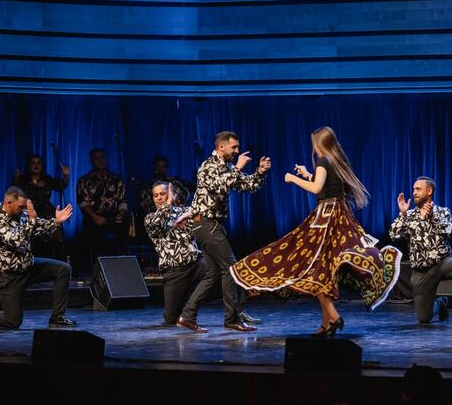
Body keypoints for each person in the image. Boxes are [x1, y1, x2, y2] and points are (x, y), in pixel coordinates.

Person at [229, 126, 401, 335]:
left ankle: (333, 318)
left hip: (326, 219)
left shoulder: (323, 161)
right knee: (321, 270)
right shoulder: (336, 161)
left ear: (319, 143)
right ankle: (328, 321)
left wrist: (294, 179)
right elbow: (327, 186)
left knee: (309, 264)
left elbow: (317, 189)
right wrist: (308, 174)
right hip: (339, 216)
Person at [173, 131, 269, 332]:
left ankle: (187, 315)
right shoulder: (208, 167)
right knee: (231, 269)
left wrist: (259, 172)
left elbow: (246, 186)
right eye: (233, 147)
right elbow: (220, 186)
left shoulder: (226, 167)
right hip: (206, 224)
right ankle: (231, 319)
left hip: (210, 225)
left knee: (213, 275)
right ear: (220, 147)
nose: (236, 151)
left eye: (237, 147)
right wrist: (238, 167)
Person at [0, 186, 75, 328]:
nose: (23, 210)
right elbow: (16, 241)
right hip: (10, 276)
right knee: (13, 321)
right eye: (20, 207)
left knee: (63, 269)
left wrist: (56, 221)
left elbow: (40, 227)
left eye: (24, 207)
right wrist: (32, 221)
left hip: (29, 267)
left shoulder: (21, 215)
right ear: (8, 203)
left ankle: (57, 317)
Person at [389, 176, 452, 327]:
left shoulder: (442, 211)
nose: (414, 192)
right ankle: (441, 303)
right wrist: (402, 214)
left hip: (443, 262)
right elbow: (393, 235)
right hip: (422, 270)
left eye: (418, 189)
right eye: (414, 189)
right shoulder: (409, 216)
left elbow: (450, 231)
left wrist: (433, 218)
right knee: (424, 318)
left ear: (429, 191)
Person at [144, 181, 212, 330]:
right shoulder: (150, 218)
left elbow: (203, 220)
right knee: (170, 319)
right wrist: (168, 205)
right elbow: (160, 221)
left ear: (173, 194)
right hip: (175, 271)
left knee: (224, 269)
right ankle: (184, 308)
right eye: (156, 196)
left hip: (196, 263)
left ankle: (236, 313)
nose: (159, 198)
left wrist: (191, 218)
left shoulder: (185, 212)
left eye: (163, 194)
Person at [77, 148, 129, 269]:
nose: (100, 161)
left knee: (124, 224)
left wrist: (120, 214)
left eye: (102, 158)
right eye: (96, 158)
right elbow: (83, 202)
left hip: (113, 217)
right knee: (94, 234)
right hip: (93, 218)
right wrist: (95, 217)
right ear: (91, 161)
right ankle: (96, 269)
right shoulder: (84, 180)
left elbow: (123, 200)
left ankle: (121, 267)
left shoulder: (116, 179)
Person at [12, 153, 70, 259]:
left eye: (39, 163)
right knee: (32, 240)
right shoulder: (23, 180)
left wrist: (66, 175)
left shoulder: (47, 179)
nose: (36, 165)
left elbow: (61, 186)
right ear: (28, 166)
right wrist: (16, 178)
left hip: (47, 212)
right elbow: (15, 193)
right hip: (29, 213)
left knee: (54, 237)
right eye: (33, 163)